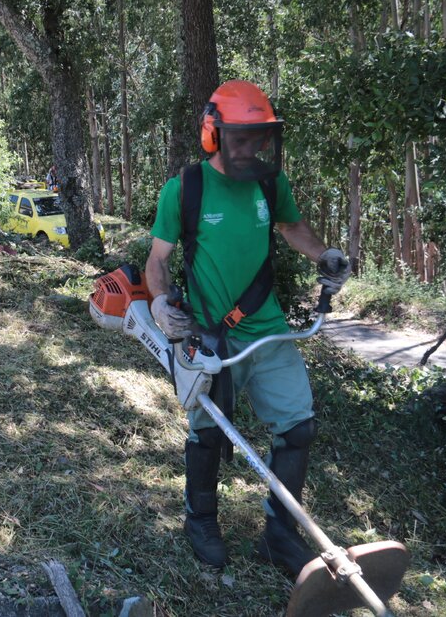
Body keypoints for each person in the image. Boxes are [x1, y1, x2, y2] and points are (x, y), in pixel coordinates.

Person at [144, 80, 351, 575]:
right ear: (213, 134)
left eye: (259, 137)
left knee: (298, 427)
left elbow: (291, 226)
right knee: (208, 430)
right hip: (213, 334)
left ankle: (279, 537)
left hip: (268, 328)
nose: (251, 147)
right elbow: (157, 261)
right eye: (240, 137)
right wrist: (157, 303)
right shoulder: (186, 188)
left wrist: (324, 253)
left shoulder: (268, 181)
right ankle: (201, 519)